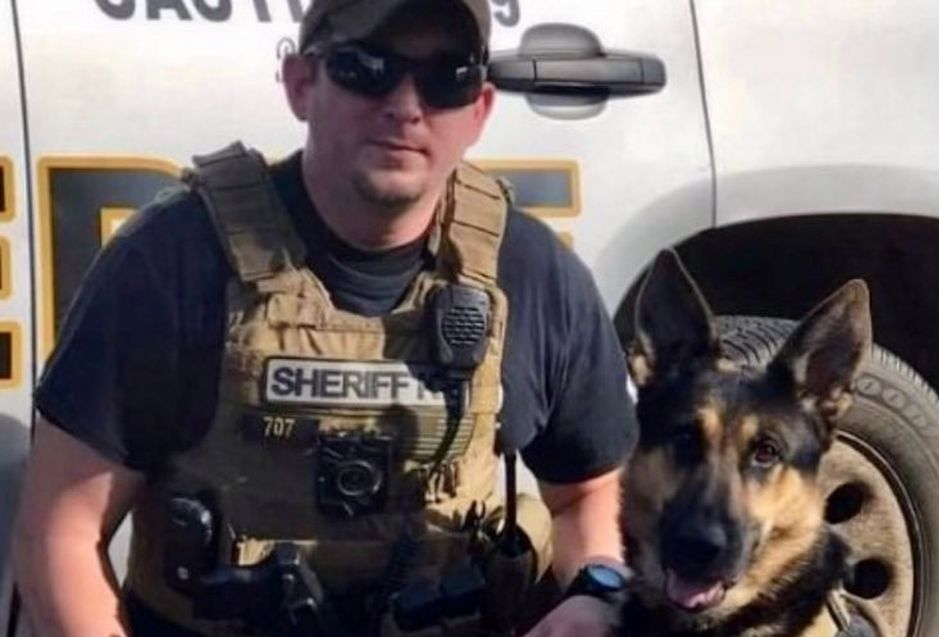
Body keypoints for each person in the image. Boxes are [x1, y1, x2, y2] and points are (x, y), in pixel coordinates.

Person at [12, 1, 637, 635]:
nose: (405, 106)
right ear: (301, 83)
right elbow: (60, 532)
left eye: (445, 78)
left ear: (479, 108)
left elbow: (590, 495)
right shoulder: (176, 259)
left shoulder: (529, 271)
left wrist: (597, 590)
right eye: (367, 67)